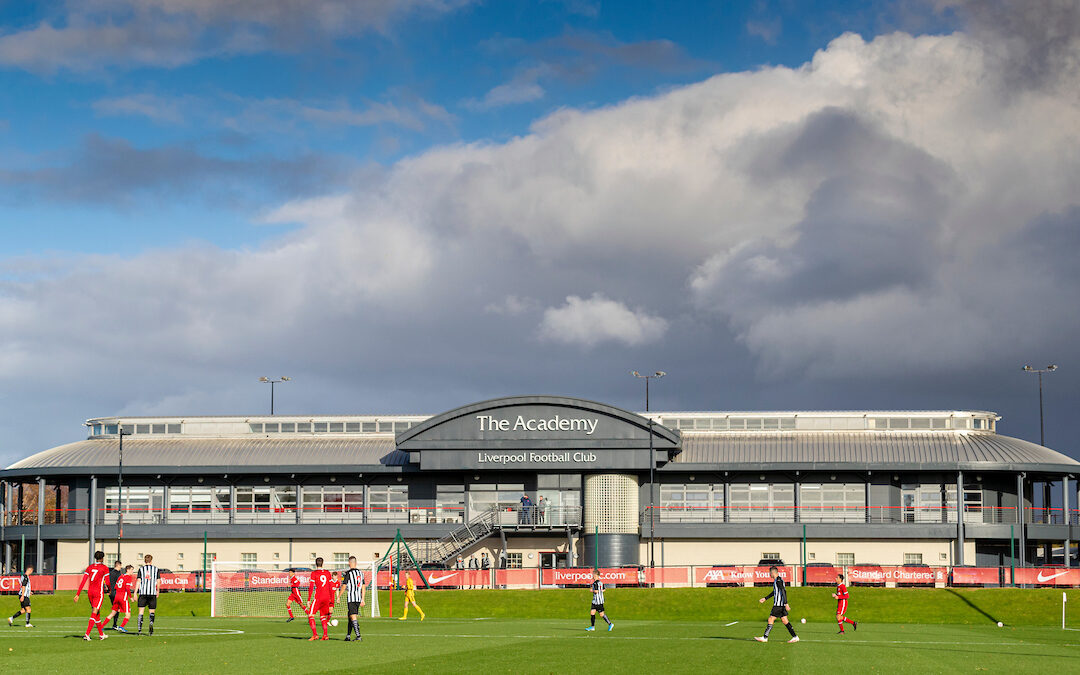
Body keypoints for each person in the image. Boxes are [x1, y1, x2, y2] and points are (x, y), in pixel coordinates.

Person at [74, 550, 111, 641]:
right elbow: (108, 581)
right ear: (102, 558)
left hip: (90, 592)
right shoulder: (104, 568)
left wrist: (78, 594)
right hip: (98, 592)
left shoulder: (90, 567)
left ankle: (101, 634)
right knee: (94, 612)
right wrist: (109, 589)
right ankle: (87, 634)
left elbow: (83, 581)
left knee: (97, 614)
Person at [755, 566, 798, 643]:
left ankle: (765, 637)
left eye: (769, 573)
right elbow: (775, 592)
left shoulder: (778, 580)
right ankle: (795, 637)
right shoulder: (777, 580)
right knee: (785, 620)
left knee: (771, 619)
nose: (769, 574)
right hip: (780, 605)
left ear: (772, 573)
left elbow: (783, 591)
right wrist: (765, 598)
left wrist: (786, 603)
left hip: (778, 605)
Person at [101, 565, 135, 632]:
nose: (132, 571)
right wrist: (131, 597)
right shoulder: (128, 577)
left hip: (117, 596)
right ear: (127, 570)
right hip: (123, 597)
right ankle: (121, 627)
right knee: (128, 614)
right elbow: (127, 588)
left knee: (113, 613)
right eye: (131, 570)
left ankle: (101, 626)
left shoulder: (120, 576)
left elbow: (116, 586)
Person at [307, 557, 334, 641]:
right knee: (323, 617)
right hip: (327, 598)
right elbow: (330, 587)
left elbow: (311, 587)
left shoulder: (314, 573)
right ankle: (325, 635)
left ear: (316, 564)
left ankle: (315, 635)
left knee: (311, 615)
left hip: (318, 597)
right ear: (322, 563)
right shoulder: (327, 573)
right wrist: (331, 602)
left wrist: (308, 599)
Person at [340, 556, 365, 642]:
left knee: (353, 616)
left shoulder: (348, 573)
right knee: (350, 615)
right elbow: (363, 586)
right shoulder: (361, 573)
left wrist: (339, 596)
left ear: (349, 563)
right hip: (358, 598)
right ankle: (348, 636)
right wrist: (363, 598)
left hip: (352, 598)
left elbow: (344, 585)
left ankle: (358, 636)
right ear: (356, 563)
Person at [135, 554, 160, 636]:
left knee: (141, 612)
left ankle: (139, 630)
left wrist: (135, 592)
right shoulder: (156, 569)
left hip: (143, 593)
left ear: (144, 561)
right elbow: (158, 581)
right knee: (152, 611)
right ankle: (151, 623)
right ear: (151, 560)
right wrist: (158, 590)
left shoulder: (141, 569)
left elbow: (138, 581)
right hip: (152, 593)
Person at [107, 560, 123, 628]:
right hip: (116, 593)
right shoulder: (117, 573)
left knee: (116, 609)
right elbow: (120, 583)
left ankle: (114, 624)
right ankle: (114, 624)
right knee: (116, 609)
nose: (121, 567)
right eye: (120, 565)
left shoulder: (111, 573)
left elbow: (108, 582)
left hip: (112, 593)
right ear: (118, 565)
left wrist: (109, 590)